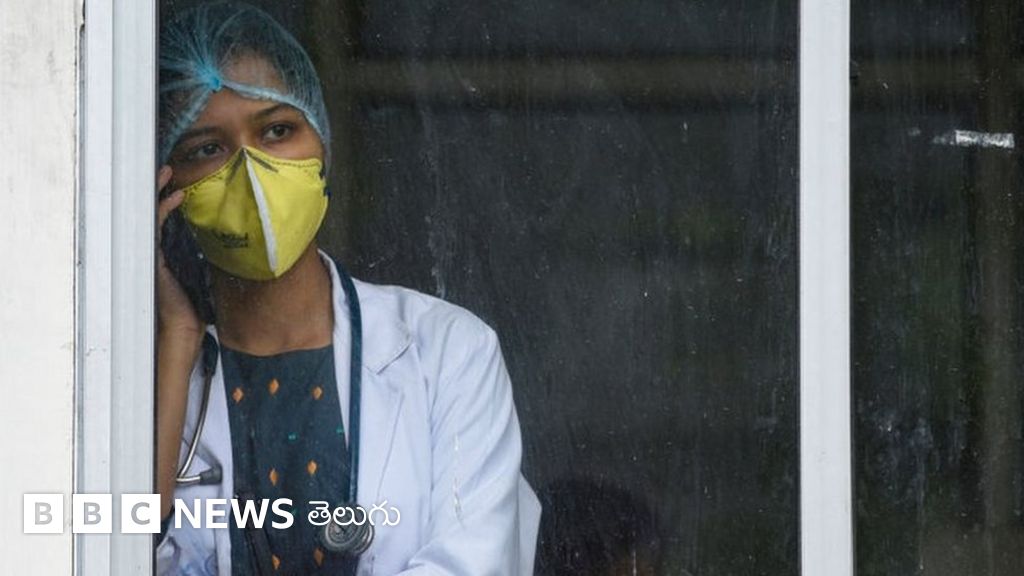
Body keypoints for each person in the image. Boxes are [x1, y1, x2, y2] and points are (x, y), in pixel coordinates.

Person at [154, 3, 540, 574]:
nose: (252, 171)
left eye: (277, 131)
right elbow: (102, 552)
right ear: (167, 185)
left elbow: (471, 562)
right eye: (206, 149)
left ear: (322, 143)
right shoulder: (144, 384)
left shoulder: (447, 351)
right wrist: (178, 341)